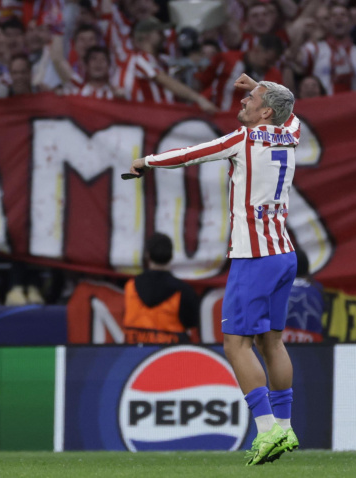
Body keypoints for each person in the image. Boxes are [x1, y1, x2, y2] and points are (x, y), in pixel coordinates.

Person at [129, 75, 300, 465]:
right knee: (271, 343)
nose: (243, 101)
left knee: (235, 344)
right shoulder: (291, 134)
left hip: (254, 256)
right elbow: (290, 111)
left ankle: (267, 429)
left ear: (266, 112)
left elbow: (192, 153)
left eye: (251, 97)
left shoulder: (243, 139)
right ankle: (286, 426)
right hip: (284, 254)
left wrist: (146, 161)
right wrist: (260, 84)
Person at [115, 17, 218, 112]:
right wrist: (199, 99)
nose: (164, 36)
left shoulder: (162, 59)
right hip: (144, 116)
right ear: (146, 36)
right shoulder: (139, 59)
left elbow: (184, 70)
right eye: (159, 33)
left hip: (161, 116)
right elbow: (167, 82)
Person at [122, 233, 199, 344]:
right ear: (171, 256)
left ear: (148, 255)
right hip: (170, 355)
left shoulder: (130, 286)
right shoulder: (184, 291)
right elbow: (191, 325)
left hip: (133, 354)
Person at [283, 249, 326, 343]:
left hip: (281, 346)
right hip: (314, 348)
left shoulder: (275, 289)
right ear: (307, 268)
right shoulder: (317, 290)